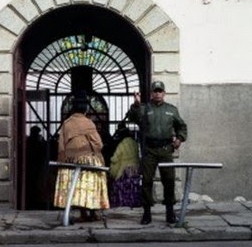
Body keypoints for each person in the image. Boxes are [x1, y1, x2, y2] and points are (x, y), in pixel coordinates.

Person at [124, 80, 187, 225]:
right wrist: (136, 104)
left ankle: (170, 213)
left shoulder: (171, 110)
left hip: (165, 150)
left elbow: (182, 126)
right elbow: (132, 117)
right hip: (149, 150)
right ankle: (147, 213)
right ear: (151, 93)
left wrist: (179, 139)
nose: (157, 94)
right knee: (146, 181)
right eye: (155, 91)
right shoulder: (144, 109)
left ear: (164, 93)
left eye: (160, 91)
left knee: (169, 181)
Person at [53, 91, 110, 222]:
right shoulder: (88, 123)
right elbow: (98, 143)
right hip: (88, 160)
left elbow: (61, 146)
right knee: (91, 186)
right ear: (86, 108)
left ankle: (83, 213)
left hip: (71, 161)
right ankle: (93, 212)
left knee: (77, 188)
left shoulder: (66, 124)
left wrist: (62, 162)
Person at [109, 123, 141, 208]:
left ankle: (122, 202)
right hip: (135, 168)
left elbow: (115, 158)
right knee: (133, 186)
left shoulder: (122, 144)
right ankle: (133, 202)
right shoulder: (134, 142)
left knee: (121, 186)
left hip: (124, 170)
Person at [25, 125, 47, 209]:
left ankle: (33, 201)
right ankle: (34, 201)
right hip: (34, 164)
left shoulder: (29, 140)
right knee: (34, 184)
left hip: (32, 164)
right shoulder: (33, 141)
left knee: (34, 184)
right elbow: (43, 149)